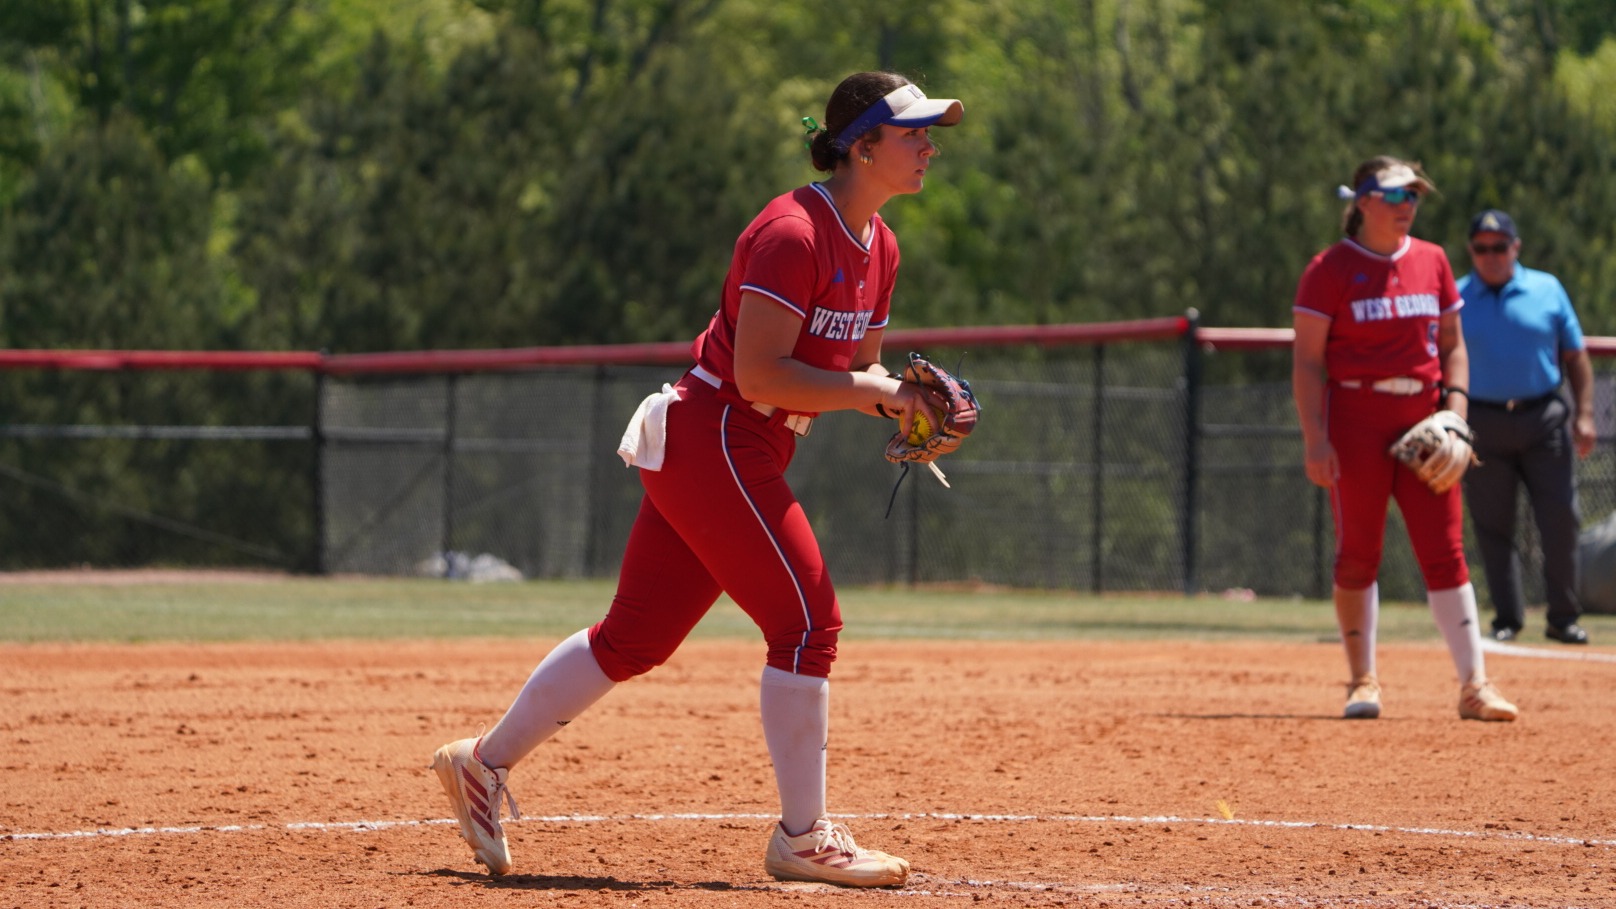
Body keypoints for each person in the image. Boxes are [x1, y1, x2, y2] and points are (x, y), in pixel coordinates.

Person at [430, 71, 963, 887]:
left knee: (634, 638)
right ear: (862, 147)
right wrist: (879, 393)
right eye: (913, 132)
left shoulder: (880, 246)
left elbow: (859, 368)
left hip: (736, 448)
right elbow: (758, 375)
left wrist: (902, 403)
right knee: (807, 624)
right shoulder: (792, 232)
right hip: (716, 436)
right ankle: (804, 835)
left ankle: (483, 762)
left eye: (931, 131)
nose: (930, 144)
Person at [1291, 155, 1518, 722]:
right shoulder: (1330, 268)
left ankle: (1474, 686)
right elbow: (1307, 364)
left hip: (1423, 419)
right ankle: (1363, 680)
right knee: (1358, 553)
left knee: (1445, 552)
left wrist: (1457, 411)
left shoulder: (1434, 260)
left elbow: (1452, 347)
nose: (1407, 206)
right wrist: (1315, 438)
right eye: (1395, 196)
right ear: (1363, 201)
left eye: (1413, 196)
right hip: (1355, 418)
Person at [1458, 209, 1594, 645]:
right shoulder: (1455, 297)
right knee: (1493, 524)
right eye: (1482, 248)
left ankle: (1563, 617)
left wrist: (1585, 414)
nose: (1491, 256)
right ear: (1471, 251)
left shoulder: (1547, 289)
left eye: (1500, 247)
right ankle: (1507, 619)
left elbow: (1576, 356)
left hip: (1543, 418)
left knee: (1560, 518)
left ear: (1515, 247)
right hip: (1481, 421)